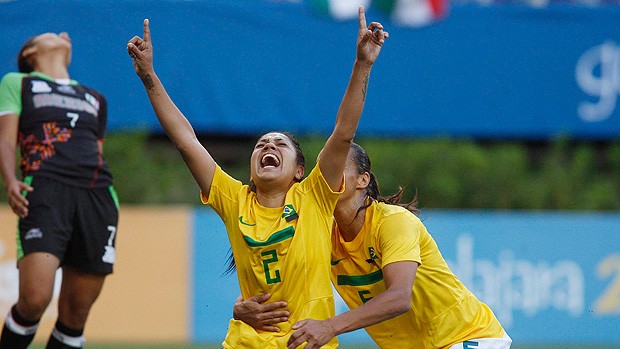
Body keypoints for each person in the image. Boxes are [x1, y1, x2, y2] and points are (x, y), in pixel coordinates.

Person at [126, 7, 388, 348]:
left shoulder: (315, 196)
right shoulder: (233, 199)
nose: (269, 146)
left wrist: (363, 64)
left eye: (280, 144)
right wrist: (148, 74)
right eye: (262, 144)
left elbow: (342, 134)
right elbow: (186, 139)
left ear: (299, 171)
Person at [234, 143, 512, 349]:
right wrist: (241, 308)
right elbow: (278, 278)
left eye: (337, 168)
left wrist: (330, 326)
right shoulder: (319, 232)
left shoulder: (393, 222)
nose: (326, 175)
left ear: (363, 180)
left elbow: (399, 298)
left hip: (469, 337)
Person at [0, 32, 119, 349]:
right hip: (46, 190)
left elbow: (96, 153)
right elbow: (6, 140)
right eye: (52, 34)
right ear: (31, 51)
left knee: (75, 313)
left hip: (97, 198)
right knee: (35, 299)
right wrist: (10, 180)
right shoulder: (18, 83)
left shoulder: (95, 98)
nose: (64, 35)